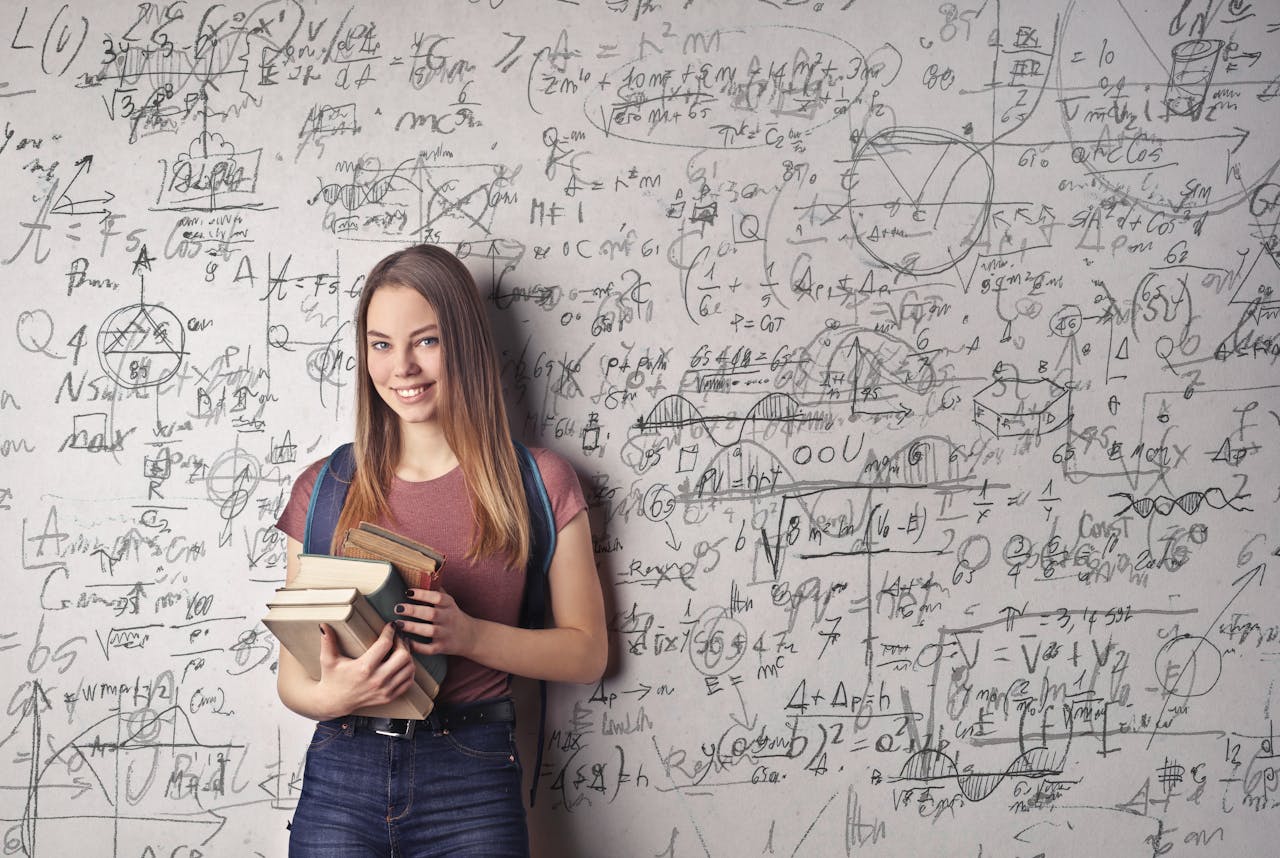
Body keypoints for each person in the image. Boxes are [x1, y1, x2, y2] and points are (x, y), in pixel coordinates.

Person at [273, 243, 608, 857]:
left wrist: (469, 635)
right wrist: (338, 695)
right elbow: (295, 677)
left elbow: (588, 653)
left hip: (472, 777)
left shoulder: (540, 482)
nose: (401, 367)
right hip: (342, 770)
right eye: (380, 344)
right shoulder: (323, 488)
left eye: (425, 341)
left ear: (465, 344)